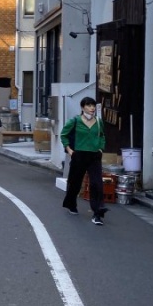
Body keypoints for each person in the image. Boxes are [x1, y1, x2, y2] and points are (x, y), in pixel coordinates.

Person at [60, 96, 107, 225]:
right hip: (79, 155)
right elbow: (63, 135)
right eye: (89, 105)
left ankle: (97, 213)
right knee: (75, 182)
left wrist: (101, 148)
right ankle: (71, 204)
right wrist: (69, 150)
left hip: (94, 156)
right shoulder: (75, 121)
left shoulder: (98, 121)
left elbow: (102, 136)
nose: (92, 108)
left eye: (93, 105)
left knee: (96, 183)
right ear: (82, 107)